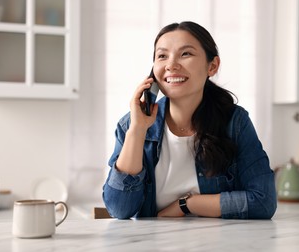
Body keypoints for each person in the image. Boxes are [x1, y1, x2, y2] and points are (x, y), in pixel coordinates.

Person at [102, 21, 277, 219]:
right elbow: (119, 210)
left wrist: (186, 204)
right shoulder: (131, 125)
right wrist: (137, 131)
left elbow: (264, 201)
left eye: (185, 54)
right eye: (162, 56)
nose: (171, 65)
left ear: (212, 66)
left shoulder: (235, 123)